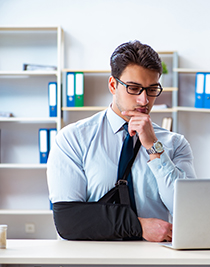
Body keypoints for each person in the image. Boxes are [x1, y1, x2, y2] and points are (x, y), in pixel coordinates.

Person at [47, 40, 196, 241]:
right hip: (92, 260)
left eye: (152, 90)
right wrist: (138, 226)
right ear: (113, 85)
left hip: (155, 260)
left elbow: (188, 212)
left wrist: (154, 147)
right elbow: (68, 220)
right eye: (134, 88)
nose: (144, 100)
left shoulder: (175, 144)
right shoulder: (73, 139)